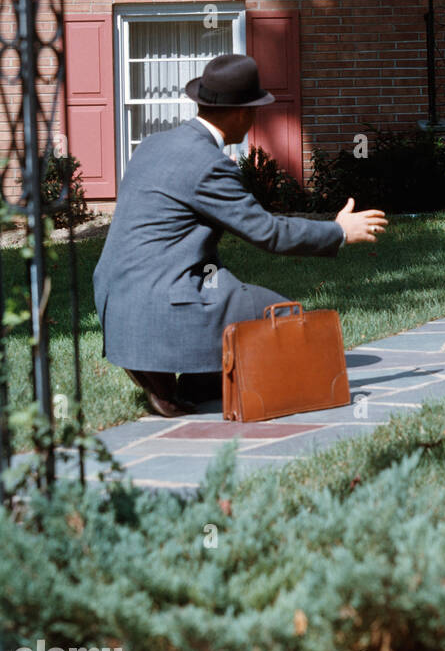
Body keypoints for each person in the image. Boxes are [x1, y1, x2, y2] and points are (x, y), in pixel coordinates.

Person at [92, 54, 388, 417]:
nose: (254, 120)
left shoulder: (152, 145)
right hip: (161, 298)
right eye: (254, 110)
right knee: (287, 324)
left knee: (228, 292)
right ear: (240, 112)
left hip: (114, 296)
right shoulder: (210, 165)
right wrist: (339, 231)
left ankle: (169, 374)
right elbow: (267, 233)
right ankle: (171, 371)